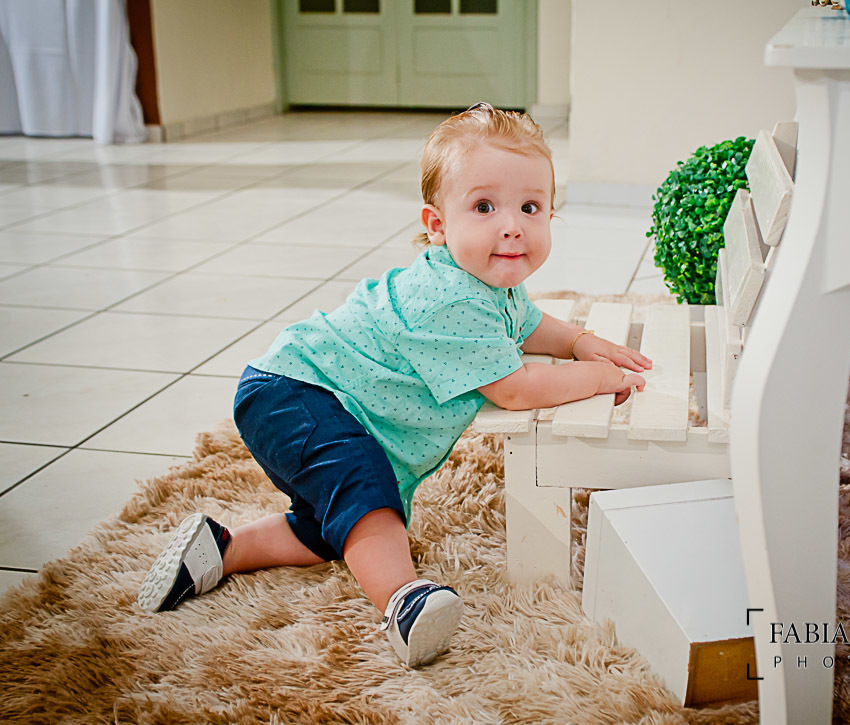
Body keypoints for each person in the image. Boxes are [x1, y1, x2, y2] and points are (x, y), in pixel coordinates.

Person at [136, 102, 652, 668]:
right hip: (298, 392)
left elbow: (527, 324)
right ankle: (403, 603)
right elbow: (515, 389)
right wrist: (599, 377)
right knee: (365, 494)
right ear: (437, 225)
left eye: (530, 207)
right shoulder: (450, 297)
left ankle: (221, 549)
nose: (512, 225)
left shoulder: (490, 283)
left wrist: (578, 341)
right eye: (484, 207)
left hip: (315, 399)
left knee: (331, 531)